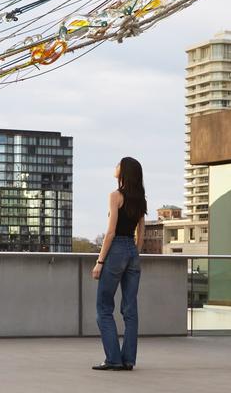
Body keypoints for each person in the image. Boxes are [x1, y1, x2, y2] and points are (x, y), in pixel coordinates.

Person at [91, 157, 147, 371]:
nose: (115, 167)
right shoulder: (140, 198)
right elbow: (141, 230)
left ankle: (113, 359)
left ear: (124, 171)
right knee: (130, 309)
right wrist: (136, 252)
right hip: (132, 252)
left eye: (118, 165)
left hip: (115, 251)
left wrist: (100, 261)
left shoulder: (115, 196)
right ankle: (128, 360)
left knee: (104, 307)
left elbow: (111, 231)